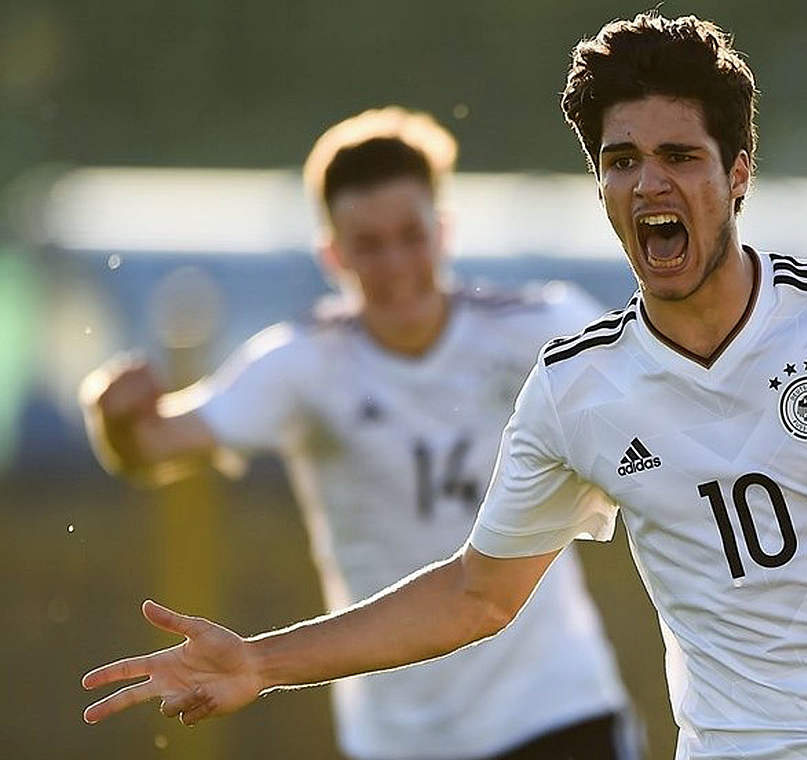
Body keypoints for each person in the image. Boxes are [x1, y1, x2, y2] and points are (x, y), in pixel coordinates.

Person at [81, 16, 807, 760]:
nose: (651, 180)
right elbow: (476, 595)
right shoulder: (578, 387)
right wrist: (262, 660)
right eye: (622, 159)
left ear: (736, 173)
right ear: (603, 186)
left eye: (680, 155)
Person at [79, 107, 638, 760]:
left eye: (410, 235)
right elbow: (151, 449)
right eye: (368, 245)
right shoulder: (305, 361)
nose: (395, 263)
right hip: (397, 735)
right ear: (332, 255)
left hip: (554, 711)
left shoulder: (540, 327)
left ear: (444, 231)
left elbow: (658, 409)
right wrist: (112, 414)